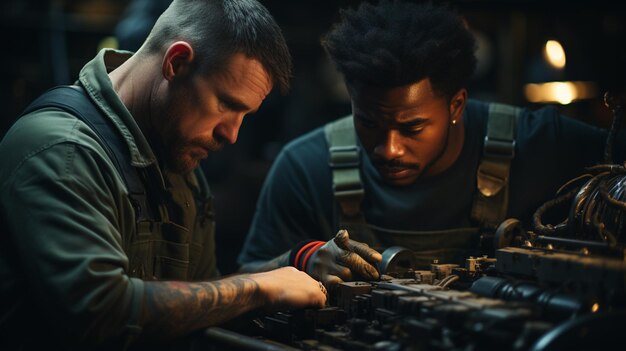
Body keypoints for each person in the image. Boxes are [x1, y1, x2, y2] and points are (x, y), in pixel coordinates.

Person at [0, 0, 327, 349]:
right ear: (177, 62)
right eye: (227, 105)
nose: (231, 135)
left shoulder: (176, 160)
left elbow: (199, 300)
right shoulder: (61, 151)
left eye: (245, 115)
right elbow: (101, 313)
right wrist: (261, 287)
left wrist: (293, 265)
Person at [237, 0, 626, 285]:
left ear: (456, 104)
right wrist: (300, 259)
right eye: (368, 122)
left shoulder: (542, 144)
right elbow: (242, 279)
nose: (387, 149)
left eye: (412, 128)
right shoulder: (304, 167)